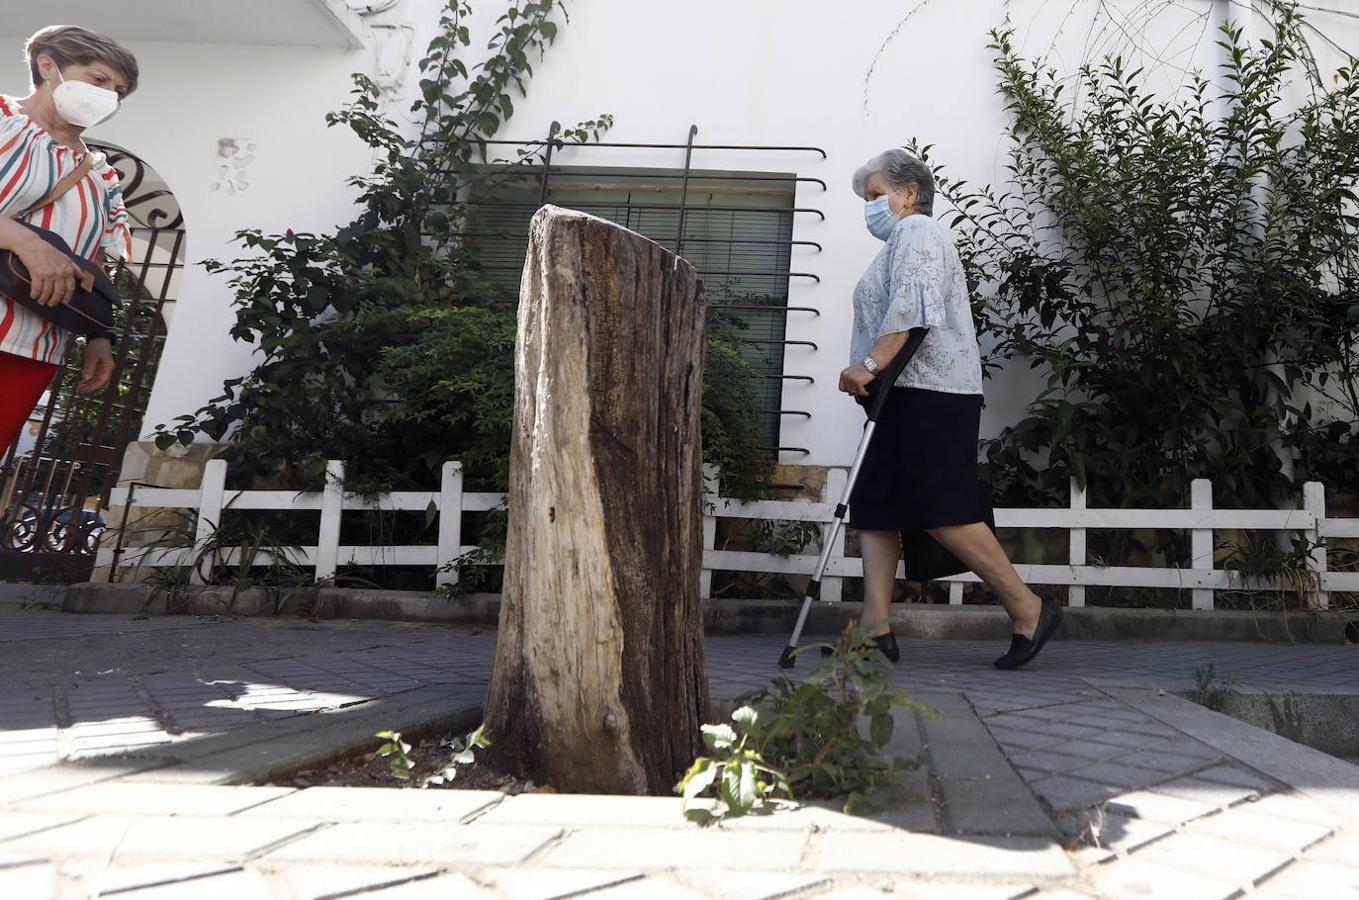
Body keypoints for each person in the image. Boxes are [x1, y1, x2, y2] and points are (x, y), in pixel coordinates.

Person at [840, 148, 1062, 669]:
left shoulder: (919, 231)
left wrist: (869, 364)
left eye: (875, 196)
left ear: (909, 194)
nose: (869, 207)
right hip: (897, 394)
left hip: (932, 392)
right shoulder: (894, 244)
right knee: (875, 507)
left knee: (940, 509)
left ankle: (1028, 608)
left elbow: (913, 305)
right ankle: (874, 626)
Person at [0, 25, 137, 456]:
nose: (108, 96)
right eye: (98, 80)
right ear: (47, 65)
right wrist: (23, 240)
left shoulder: (101, 175)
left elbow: (90, 260)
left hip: (35, 347)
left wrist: (98, 335)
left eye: (119, 91)